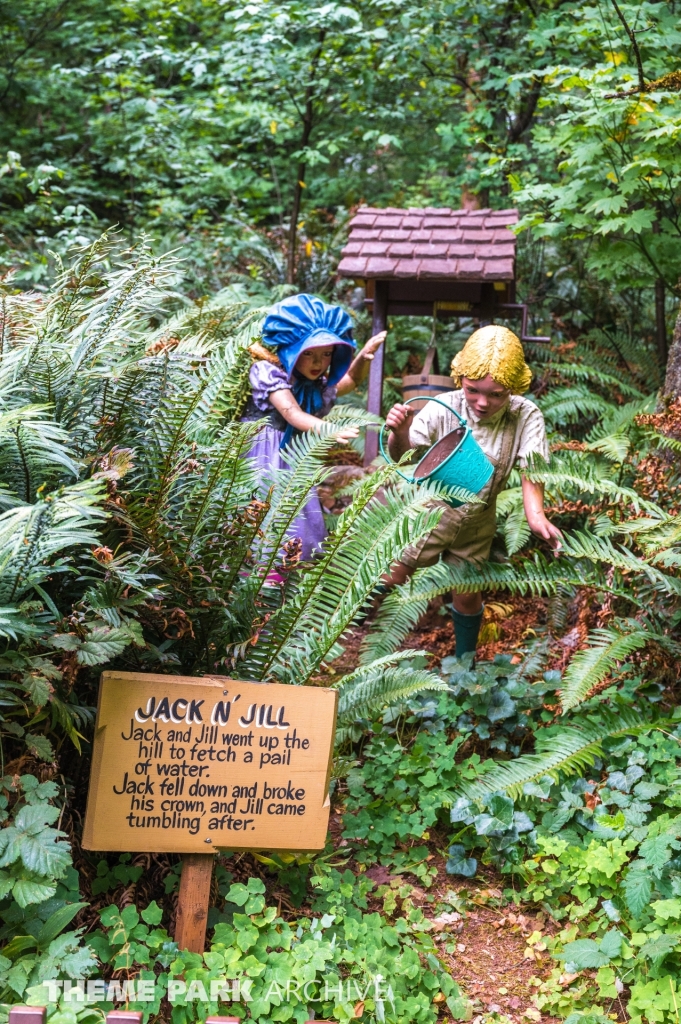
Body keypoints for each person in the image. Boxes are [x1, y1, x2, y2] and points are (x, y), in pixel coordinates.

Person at [384, 324, 561, 657]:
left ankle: (465, 664)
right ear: (460, 379)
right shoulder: (442, 406)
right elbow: (403, 456)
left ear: (513, 387)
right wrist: (401, 431)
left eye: (496, 394)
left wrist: (536, 516)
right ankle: (367, 647)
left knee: (467, 592)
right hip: (429, 514)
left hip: (479, 521)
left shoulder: (525, 416)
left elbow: (532, 469)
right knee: (394, 573)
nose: (483, 402)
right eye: (473, 390)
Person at [242, 293, 386, 562]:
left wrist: (363, 358)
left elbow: (350, 381)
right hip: (263, 458)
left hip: (293, 460)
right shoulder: (268, 373)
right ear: (289, 349)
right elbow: (291, 412)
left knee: (296, 520)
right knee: (262, 515)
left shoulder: (313, 385)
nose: (318, 363)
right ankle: (255, 579)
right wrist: (326, 428)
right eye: (308, 354)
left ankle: (284, 579)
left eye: (327, 354)